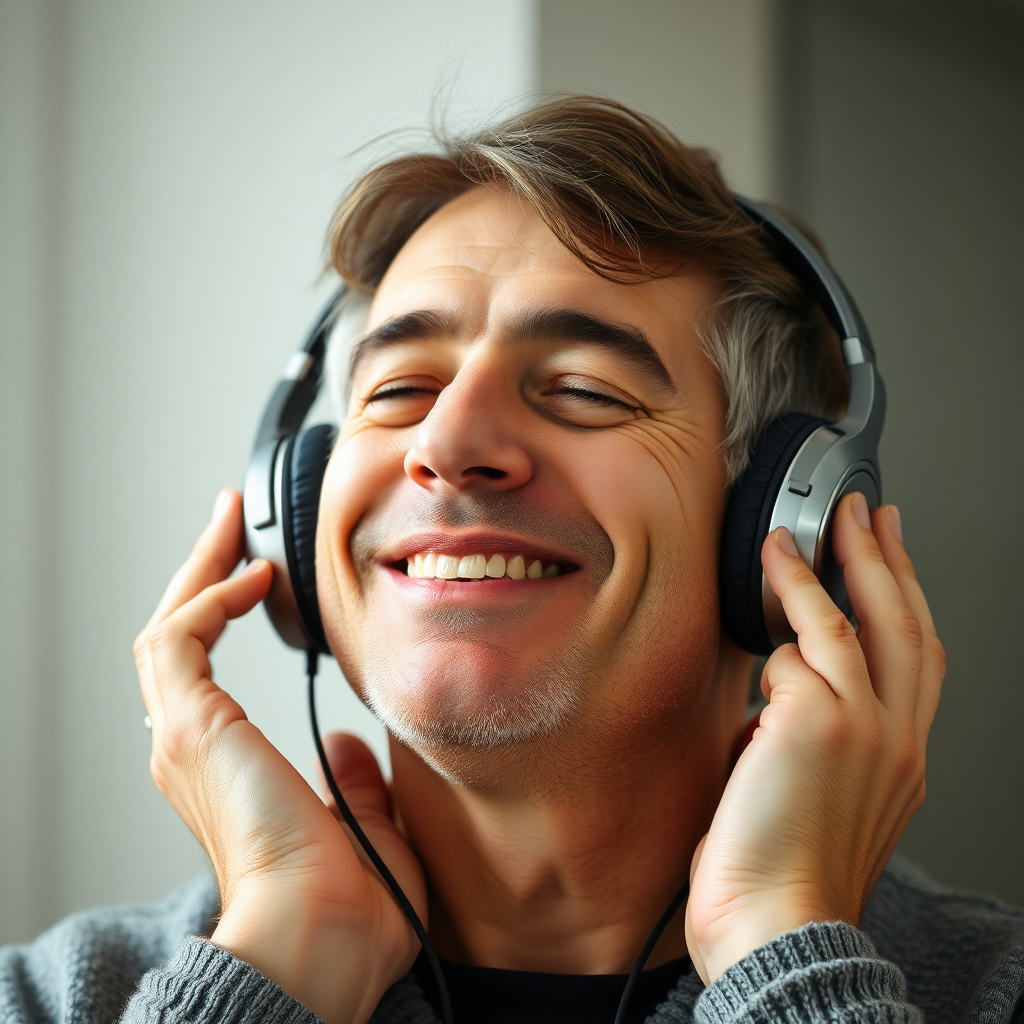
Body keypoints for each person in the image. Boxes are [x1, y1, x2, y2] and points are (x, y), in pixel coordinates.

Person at [2, 96, 1022, 1024]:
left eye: (584, 390)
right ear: (291, 508)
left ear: (787, 518)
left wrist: (787, 954)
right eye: (398, 388)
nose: (445, 446)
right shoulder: (53, 999)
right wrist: (274, 965)